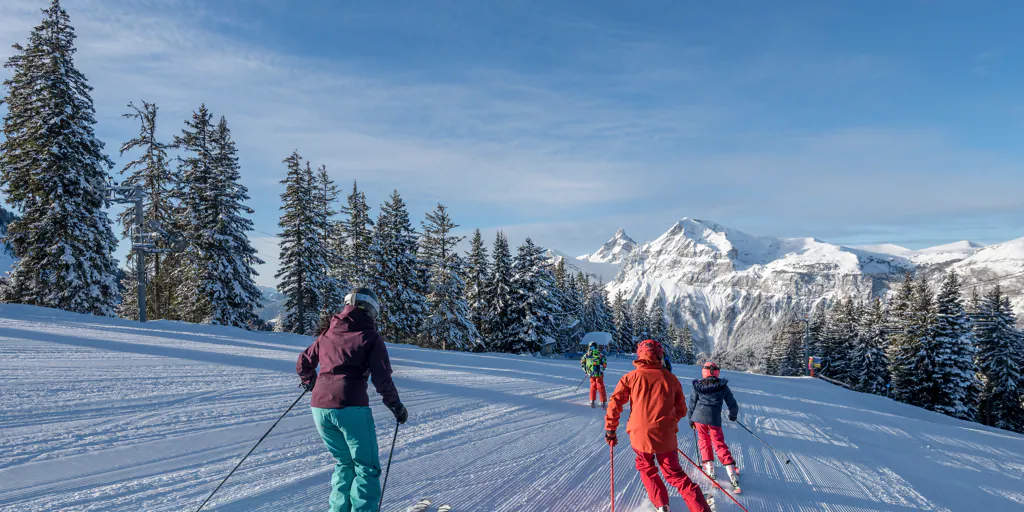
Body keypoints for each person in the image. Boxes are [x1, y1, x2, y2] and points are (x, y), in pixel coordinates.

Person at [296, 287, 409, 512]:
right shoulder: (370, 336)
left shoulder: (328, 332)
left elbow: (303, 362)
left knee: (344, 463)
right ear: (372, 310)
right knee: (366, 467)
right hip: (351, 407)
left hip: (319, 408)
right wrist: (396, 406)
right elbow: (382, 378)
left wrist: (310, 381)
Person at [605, 340, 713, 512]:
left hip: (639, 435)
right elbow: (682, 409)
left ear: (639, 355)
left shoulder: (630, 378)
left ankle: (661, 505)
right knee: (675, 475)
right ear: (660, 355)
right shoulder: (670, 378)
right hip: (665, 436)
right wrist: (668, 424)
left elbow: (615, 403)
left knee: (646, 468)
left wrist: (611, 429)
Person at [687, 361, 740, 491]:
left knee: (704, 441)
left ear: (704, 372)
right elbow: (732, 403)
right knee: (718, 443)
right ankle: (730, 470)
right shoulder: (722, 387)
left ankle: (709, 467)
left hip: (699, 419)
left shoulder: (698, 386)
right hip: (714, 420)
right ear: (717, 372)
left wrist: (691, 419)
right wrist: (733, 415)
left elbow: (692, 403)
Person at [580, 341, 608, 407]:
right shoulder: (599, 354)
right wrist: (602, 369)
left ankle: (592, 400)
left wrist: (586, 370)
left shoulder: (586, 355)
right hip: (599, 373)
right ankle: (603, 401)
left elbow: (582, 362)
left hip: (591, 373)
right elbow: (604, 362)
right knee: (600, 386)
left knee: (593, 386)